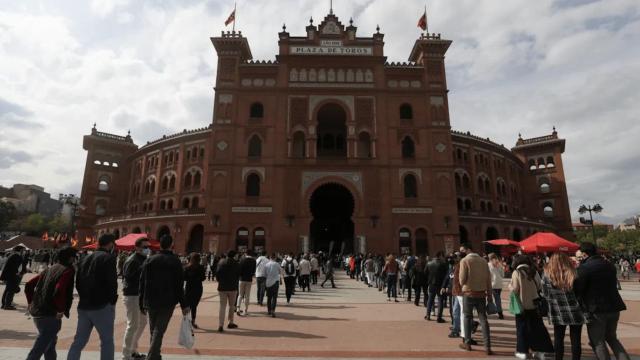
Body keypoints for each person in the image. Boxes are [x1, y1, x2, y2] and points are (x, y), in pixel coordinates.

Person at [574, 242, 630, 360]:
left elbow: (578, 288)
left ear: (584, 254)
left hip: (596, 309)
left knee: (598, 341)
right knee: (612, 338)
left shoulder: (584, 268)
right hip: (614, 306)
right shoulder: (609, 265)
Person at [67, 234, 118, 360]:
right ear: (110, 244)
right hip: (101, 305)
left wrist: (83, 296)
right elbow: (112, 283)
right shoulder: (108, 258)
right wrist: (112, 301)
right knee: (106, 341)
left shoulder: (84, 259)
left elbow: (78, 282)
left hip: (84, 304)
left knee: (78, 341)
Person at [139, 235, 189, 360]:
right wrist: (184, 304)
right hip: (167, 301)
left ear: (160, 245)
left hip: (150, 300)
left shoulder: (149, 260)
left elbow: (142, 283)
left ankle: (155, 355)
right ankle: (152, 357)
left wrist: (141, 301)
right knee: (159, 330)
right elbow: (179, 285)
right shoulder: (175, 261)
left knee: (154, 330)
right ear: (171, 244)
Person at [24, 246, 76, 360]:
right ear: (71, 258)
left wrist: (30, 303)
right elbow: (59, 290)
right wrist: (61, 309)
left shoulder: (49, 269)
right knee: (39, 348)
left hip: (37, 311)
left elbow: (28, 285)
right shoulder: (67, 270)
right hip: (50, 313)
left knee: (50, 344)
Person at [542, 253, 585, 360]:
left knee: (558, 338)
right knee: (576, 339)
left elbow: (545, 294)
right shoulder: (574, 273)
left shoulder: (547, 275)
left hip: (557, 310)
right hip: (575, 310)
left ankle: (558, 358)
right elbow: (580, 293)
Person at [510, 255, 553, 359]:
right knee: (538, 328)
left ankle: (523, 351)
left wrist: (510, 286)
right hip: (535, 305)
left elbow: (515, 289)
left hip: (522, 306)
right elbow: (539, 286)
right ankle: (542, 351)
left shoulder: (517, 272)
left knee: (522, 329)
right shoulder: (534, 271)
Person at [458, 244, 494, 355]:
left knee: (467, 317)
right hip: (481, 294)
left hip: (469, 293)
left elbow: (462, 280)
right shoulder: (484, 261)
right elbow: (488, 280)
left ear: (468, 251)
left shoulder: (464, 261)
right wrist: (490, 296)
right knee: (483, 319)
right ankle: (487, 346)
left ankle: (467, 343)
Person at [121, 237, 150, 360]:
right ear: (137, 247)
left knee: (142, 322)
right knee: (132, 324)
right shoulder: (132, 260)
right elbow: (128, 278)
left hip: (140, 296)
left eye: (148, 247)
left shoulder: (142, 259)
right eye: (144, 247)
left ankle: (132, 349)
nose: (147, 249)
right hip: (132, 296)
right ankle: (126, 355)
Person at [216, 250, 240, 332]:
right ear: (234, 256)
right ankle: (230, 322)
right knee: (231, 306)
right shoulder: (236, 263)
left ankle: (220, 325)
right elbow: (238, 275)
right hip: (232, 287)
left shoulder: (221, 262)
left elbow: (217, 274)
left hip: (222, 287)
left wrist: (220, 281)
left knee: (222, 306)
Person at [184, 253, 206, 328]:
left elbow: (184, 278)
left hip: (189, 288)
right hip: (198, 288)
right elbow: (203, 278)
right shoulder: (201, 267)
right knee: (194, 306)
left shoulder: (187, 267)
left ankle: (187, 321)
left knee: (188, 306)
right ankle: (193, 322)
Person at [425, 251, 448, 322]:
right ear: (440, 255)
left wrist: (429, 279)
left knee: (430, 299)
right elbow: (446, 275)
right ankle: (439, 317)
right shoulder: (443, 264)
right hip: (440, 284)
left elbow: (425, 272)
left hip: (431, 283)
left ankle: (428, 315)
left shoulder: (429, 263)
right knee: (440, 300)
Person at [1, 245, 24, 310]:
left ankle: (4, 304)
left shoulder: (13, 255)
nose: (24, 251)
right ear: (20, 250)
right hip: (12, 275)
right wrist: (17, 273)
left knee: (8, 290)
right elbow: (14, 267)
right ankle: (7, 305)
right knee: (11, 290)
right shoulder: (16, 256)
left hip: (10, 275)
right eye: (23, 250)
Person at [237, 250, 256, 316]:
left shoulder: (242, 260)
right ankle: (246, 310)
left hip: (241, 279)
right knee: (247, 295)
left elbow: (239, 270)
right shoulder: (254, 261)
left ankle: (238, 308)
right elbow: (254, 271)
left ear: (246, 253)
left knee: (240, 294)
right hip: (249, 279)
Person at [488, 253, 505, 319]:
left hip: (493, 284)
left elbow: (488, 275)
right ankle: (500, 312)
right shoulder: (499, 264)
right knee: (498, 298)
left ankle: (499, 312)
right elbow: (503, 275)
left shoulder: (488, 265)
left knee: (495, 299)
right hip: (499, 284)